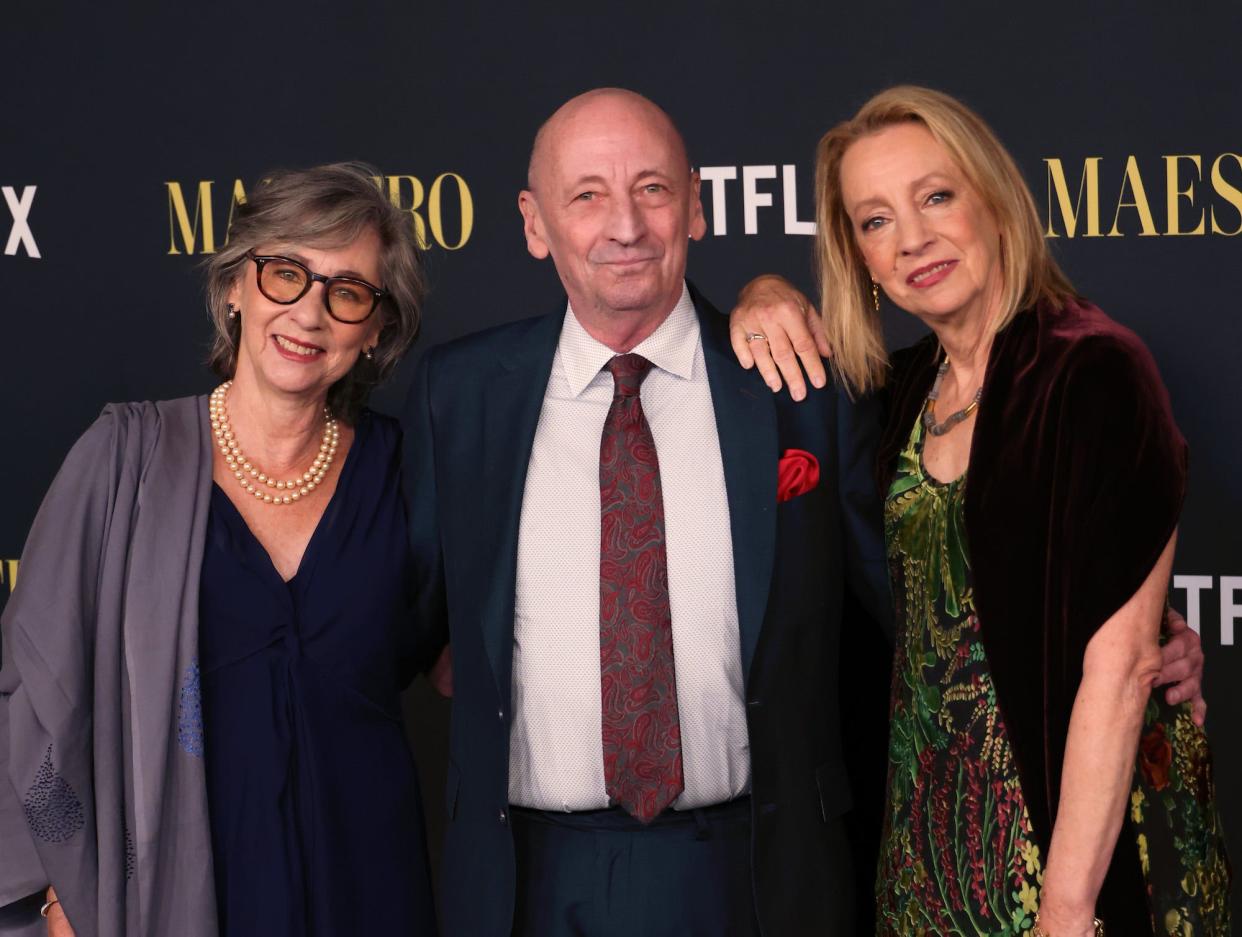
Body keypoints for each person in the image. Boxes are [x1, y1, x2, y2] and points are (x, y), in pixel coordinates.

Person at [729, 86, 1230, 936]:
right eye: (875, 220)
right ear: (859, 257)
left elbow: (1116, 673)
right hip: (925, 855)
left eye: (935, 196)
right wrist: (761, 287)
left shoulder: (1093, 371)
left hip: (1080, 851)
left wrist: (1067, 910)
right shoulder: (897, 396)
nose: (913, 238)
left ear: (993, 198)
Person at [403, 87, 893, 936]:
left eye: (654, 189)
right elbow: (395, 618)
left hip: (757, 870)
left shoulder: (800, 385)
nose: (625, 225)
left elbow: (916, 615)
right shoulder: (461, 395)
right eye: (586, 194)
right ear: (533, 221)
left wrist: (1126, 646)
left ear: (696, 206)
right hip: (529, 878)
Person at [0, 163, 438, 937]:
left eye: (347, 291)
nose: (309, 313)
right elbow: (32, 693)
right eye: (285, 274)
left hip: (370, 883)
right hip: (175, 894)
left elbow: (472, 643)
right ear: (235, 285)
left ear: (376, 331)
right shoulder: (124, 461)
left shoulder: (406, 472)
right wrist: (63, 891)